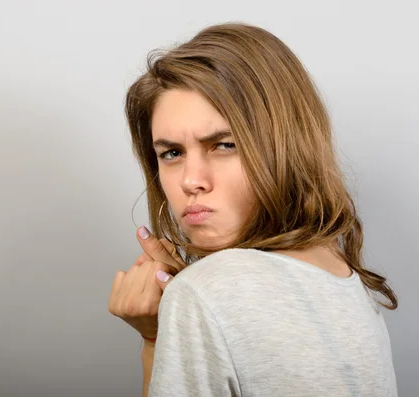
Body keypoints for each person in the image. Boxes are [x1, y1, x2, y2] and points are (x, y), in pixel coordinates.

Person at [108, 22, 399, 397]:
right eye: (172, 153)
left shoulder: (205, 291)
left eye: (224, 145)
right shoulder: (340, 274)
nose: (190, 181)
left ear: (284, 146)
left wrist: (152, 340)